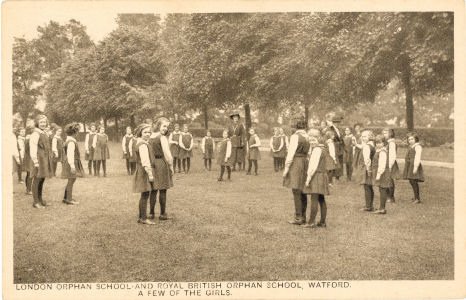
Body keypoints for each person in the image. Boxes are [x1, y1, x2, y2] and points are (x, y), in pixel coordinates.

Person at [283, 116, 310, 225]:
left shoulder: (295, 137)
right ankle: (302, 216)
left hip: (297, 162)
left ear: (296, 126)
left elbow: (290, 154)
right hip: (305, 162)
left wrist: (286, 169)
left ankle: (298, 217)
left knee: (296, 189)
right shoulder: (307, 136)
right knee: (303, 189)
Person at [148, 117, 174, 220]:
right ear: (158, 125)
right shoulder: (162, 138)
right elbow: (167, 154)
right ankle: (163, 214)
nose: (165, 129)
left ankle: (151, 213)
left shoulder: (149, 136)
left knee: (153, 190)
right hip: (161, 164)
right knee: (162, 189)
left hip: (152, 164)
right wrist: (171, 165)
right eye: (164, 126)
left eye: (167, 127)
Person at [303, 128, 329, 228]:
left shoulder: (317, 150)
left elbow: (312, 167)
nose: (311, 142)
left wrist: (308, 179)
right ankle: (322, 222)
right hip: (322, 175)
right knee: (321, 199)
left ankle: (311, 222)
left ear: (318, 139)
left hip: (316, 176)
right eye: (310, 140)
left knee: (314, 198)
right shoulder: (322, 148)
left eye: (313, 140)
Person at [132, 123, 156, 225]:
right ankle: (143, 218)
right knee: (145, 194)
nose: (147, 134)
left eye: (149, 132)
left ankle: (141, 217)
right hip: (144, 171)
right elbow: (145, 161)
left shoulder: (141, 142)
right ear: (140, 133)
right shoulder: (143, 145)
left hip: (141, 170)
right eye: (145, 132)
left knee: (144, 194)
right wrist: (150, 174)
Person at [29, 114, 54, 208]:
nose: (43, 124)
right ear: (37, 123)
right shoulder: (35, 133)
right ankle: (36, 202)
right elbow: (33, 148)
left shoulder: (43, 133)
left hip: (44, 159)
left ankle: (40, 200)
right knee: (37, 179)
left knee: (42, 179)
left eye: (44, 122)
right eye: (41, 122)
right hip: (38, 160)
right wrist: (35, 161)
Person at [61, 123, 84, 205]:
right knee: (71, 180)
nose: (78, 133)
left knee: (71, 180)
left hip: (71, 162)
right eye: (77, 131)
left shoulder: (69, 140)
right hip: (71, 163)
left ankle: (66, 197)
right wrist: (72, 166)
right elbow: (70, 155)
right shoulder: (71, 142)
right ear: (75, 133)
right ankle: (68, 199)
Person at [371, 134, 392, 214]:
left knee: (383, 190)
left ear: (384, 143)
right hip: (381, 173)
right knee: (381, 189)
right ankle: (381, 207)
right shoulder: (379, 151)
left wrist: (378, 175)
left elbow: (382, 165)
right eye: (376, 143)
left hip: (382, 173)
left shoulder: (382, 152)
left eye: (380, 143)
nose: (378, 144)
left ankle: (382, 208)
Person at [356, 130, 376, 212]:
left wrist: (368, 170)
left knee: (367, 187)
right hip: (369, 168)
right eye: (362, 136)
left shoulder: (367, 147)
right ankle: (370, 205)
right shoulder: (371, 145)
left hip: (366, 168)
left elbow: (367, 160)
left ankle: (368, 206)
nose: (363, 138)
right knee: (369, 186)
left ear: (370, 137)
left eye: (365, 136)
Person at [403, 132, 424, 204]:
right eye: (409, 139)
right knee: (411, 181)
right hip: (410, 165)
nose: (410, 141)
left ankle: (417, 198)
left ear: (416, 139)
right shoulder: (411, 146)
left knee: (413, 181)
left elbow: (417, 158)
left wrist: (415, 167)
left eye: (412, 139)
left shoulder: (417, 147)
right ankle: (416, 197)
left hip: (414, 165)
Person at [382, 128, 399, 203]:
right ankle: (387, 195)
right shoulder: (387, 142)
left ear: (390, 134)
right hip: (385, 163)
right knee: (386, 179)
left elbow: (392, 155)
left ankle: (391, 197)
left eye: (385, 133)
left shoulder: (391, 143)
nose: (384, 134)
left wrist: (390, 165)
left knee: (389, 180)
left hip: (389, 163)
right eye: (383, 133)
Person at [325, 114, 344, 181]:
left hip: (340, 147)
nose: (337, 124)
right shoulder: (330, 129)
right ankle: (333, 177)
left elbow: (341, 138)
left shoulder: (339, 129)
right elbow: (329, 138)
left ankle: (338, 176)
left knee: (339, 161)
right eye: (336, 122)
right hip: (334, 146)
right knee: (334, 161)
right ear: (333, 122)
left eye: (338, 122)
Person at [22, 126, 35, 195]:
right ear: (30, 130)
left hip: (28, 157)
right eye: (32, 129)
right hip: (29, 157)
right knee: (30, 174)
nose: (34, 130)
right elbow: (27, 149)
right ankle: (28, 189)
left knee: (29, 174)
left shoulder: (28, 137)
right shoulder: (28, 138)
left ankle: (28, 188)